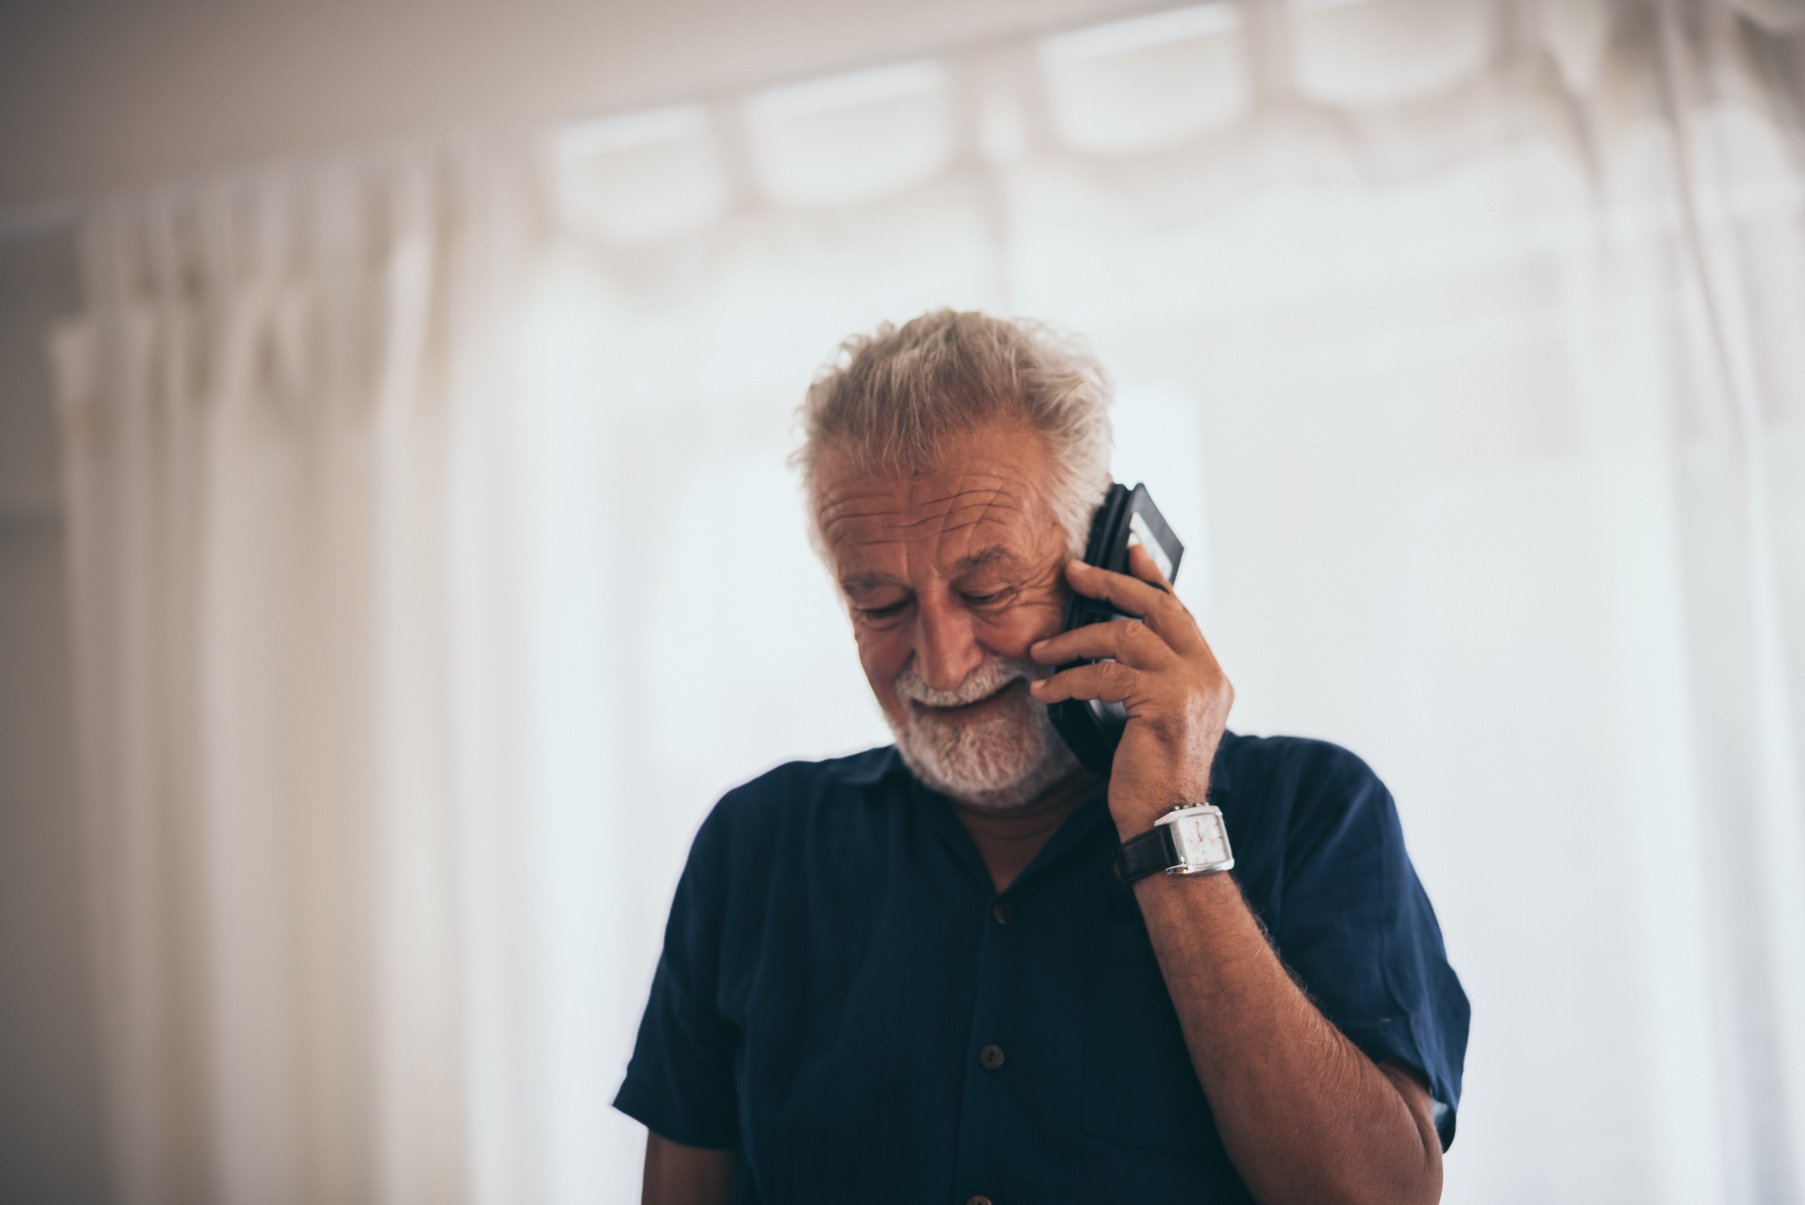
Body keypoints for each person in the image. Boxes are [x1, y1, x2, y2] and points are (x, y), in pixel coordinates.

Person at [614, 310, 1469, 1204]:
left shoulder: (1316, 810)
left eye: (987, 588)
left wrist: (1171, 826)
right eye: (879, 604)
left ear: (1111, 565)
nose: (939, 662)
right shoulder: (756, 847)